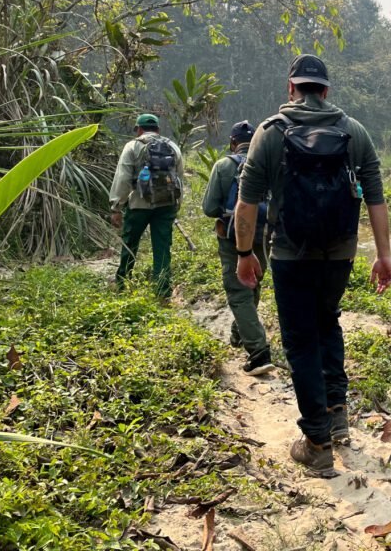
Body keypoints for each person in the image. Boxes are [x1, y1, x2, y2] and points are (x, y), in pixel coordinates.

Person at [233, 54, 391, 477]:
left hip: (290, 253)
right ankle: (337, 413)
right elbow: (375, 196)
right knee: (328, 323)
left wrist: (244, 253)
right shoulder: (353, 131)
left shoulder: (269, 134)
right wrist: (383, 255)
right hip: (340, 254)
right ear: (325, 91)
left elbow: (247, 202)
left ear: (291, 88)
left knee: (301, 341)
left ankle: (318, 442)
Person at [201, 120, 274, 376]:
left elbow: (209, 208)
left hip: (232, 238)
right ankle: (239, 332)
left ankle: (258, 351)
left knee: (238, 290)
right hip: (264, 235)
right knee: (253, 282)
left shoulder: (224, 166)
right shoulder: (267, 165)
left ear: (233, 143)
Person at [109, 113, 185, 300]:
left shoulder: (133, 146)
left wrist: (116, 207)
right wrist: (177, 204)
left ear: (139, 130)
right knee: (162, 247)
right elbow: (179, 178)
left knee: (130, 244)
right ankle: (162, 290)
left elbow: (123, 178)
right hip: (166, 204)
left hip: (138, 204)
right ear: (158, 130)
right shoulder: (173, 147)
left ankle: (122, 284)